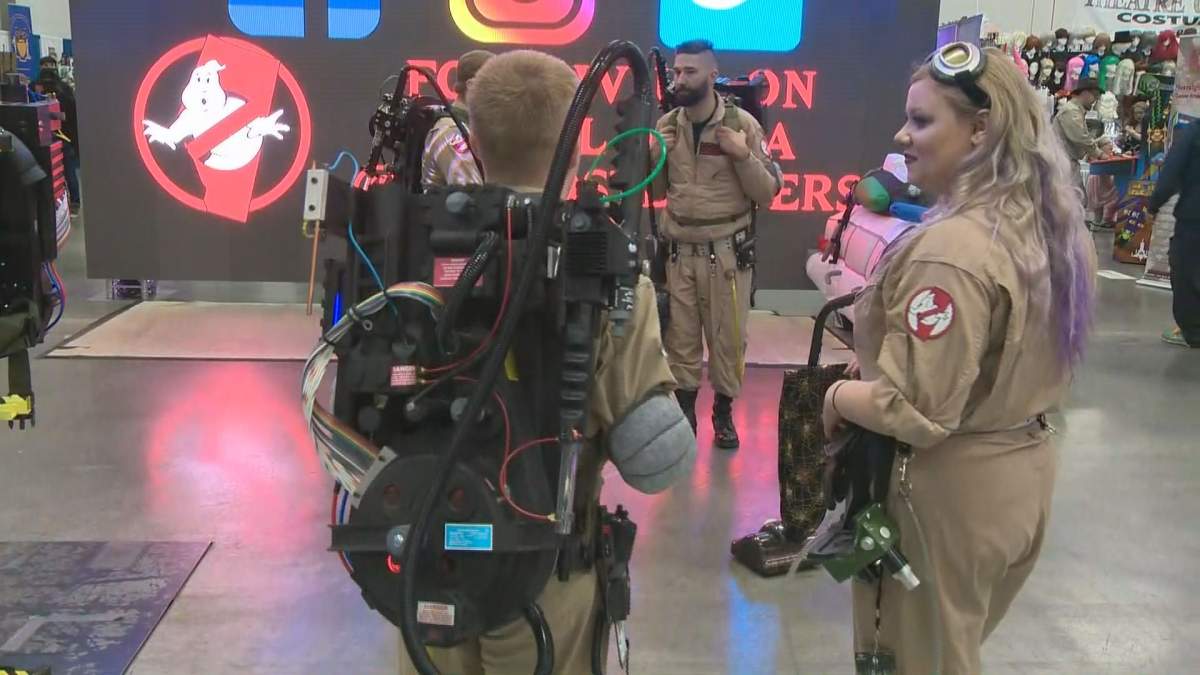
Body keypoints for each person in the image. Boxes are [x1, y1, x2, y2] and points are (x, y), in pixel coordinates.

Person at [399, 50, 696, 674]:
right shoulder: (611, 273)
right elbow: (653, 458)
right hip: (546, 571)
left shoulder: (409, 260)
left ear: (472, 137)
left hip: (425, 562)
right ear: (575, 139)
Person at [820, 43, 1097, 672]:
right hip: (1019, 475)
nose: (902, 135)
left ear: (980, 130)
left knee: (910, 659)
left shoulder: (952, 250)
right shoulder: (1045, 227)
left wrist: (833, 397)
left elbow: (914, 408)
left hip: (942, 494)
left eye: (921, 121)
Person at [650, 39, 782, 449]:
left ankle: (723, 414)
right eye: (676, 71)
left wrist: (742, 157)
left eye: (690, 72)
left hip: (724, 255)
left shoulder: (742, 125)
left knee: (727, 342)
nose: (680, 79)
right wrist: (656, 157)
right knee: (680, 341)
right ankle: (685, 414)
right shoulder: (666, 127)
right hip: (679, 251)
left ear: (711, 74)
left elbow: (767, 193)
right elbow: (655, 189)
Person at [1148, 119, 1200, 348]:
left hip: (1194, 216)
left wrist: (1153, 205)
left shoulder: (1194, 133)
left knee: (1186, 273)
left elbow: (1172, 172)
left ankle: (1194, 331)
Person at [421, 49, 493, 189]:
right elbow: (473, 197)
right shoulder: (451, 133)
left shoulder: (468, 128)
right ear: (472, 85)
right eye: (494, 84)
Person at [34, 61, 81, 210]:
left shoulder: (60, 95)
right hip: (64, 137)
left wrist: (48, 112)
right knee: (67, 172)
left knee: (67, 171)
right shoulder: (65, 90)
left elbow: (65, 117)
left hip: (63, 137)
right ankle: (72, 202)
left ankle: (74, 202)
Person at [1053, 78, 1112, 177]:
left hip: (1066, 162)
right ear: (1085, 93)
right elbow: (1080, 137)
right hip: (1063, 163)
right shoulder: (1071, 111)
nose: (1095, 100)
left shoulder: (1076, 110)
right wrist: (1099, 154)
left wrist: (1100, 142)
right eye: (1095, 96)